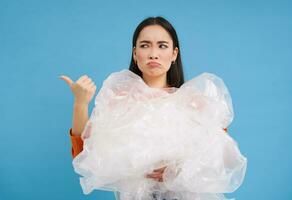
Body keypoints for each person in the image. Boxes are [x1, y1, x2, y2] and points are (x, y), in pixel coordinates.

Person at [60, 16, 246, 200]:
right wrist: (80, 104)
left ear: (174, 54)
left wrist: (177, 171)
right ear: (135, 53)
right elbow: (84, 156)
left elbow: (222, 157)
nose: (153, 54)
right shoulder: (119, 102)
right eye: (145, 45)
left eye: (162, 46)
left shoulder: (193, 102)